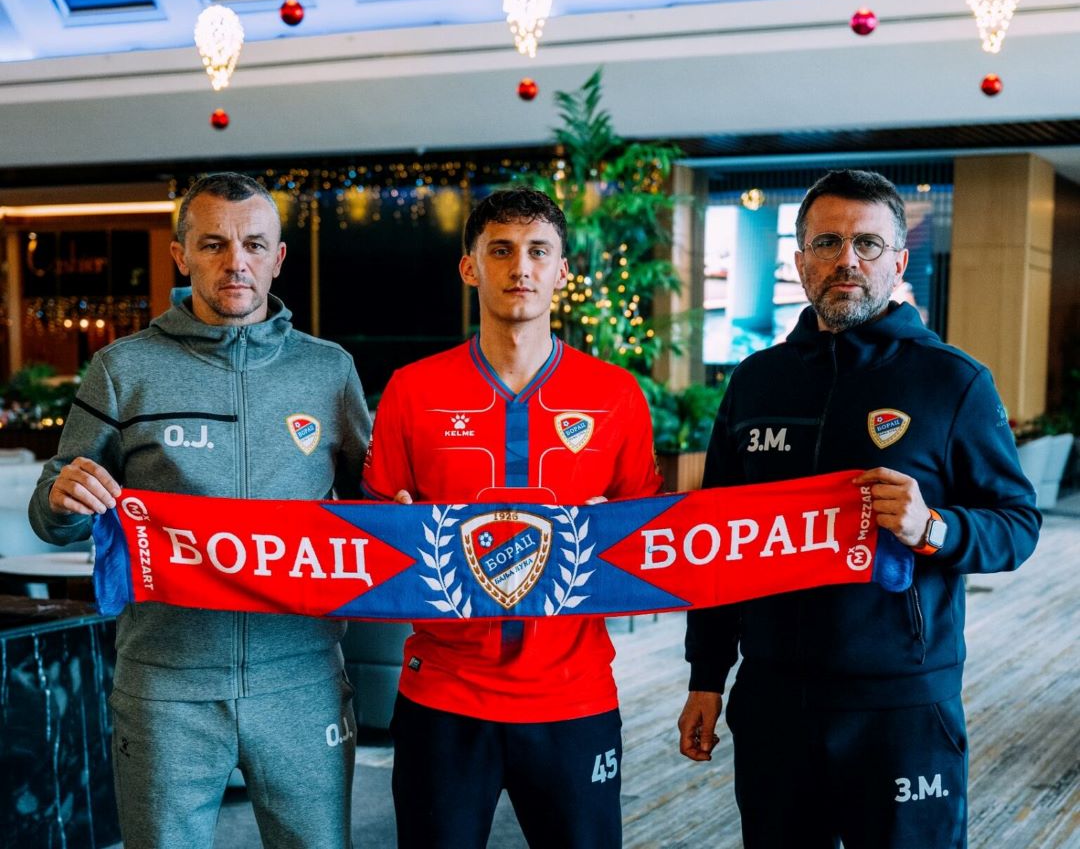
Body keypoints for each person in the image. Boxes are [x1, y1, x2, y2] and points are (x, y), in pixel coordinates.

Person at [677, 169, 1041, 849]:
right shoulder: (756, 382)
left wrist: (934, 526)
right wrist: (706, 677)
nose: (848, 259)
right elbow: (718, 543)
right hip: (774, 700)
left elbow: (1018, 525)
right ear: (800, 261)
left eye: (868, 244)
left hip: (901, 703)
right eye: (828, 242)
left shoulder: (953, 380)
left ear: (898, 262)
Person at [29, 172, 371, 849]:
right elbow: (55, 508)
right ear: (181, 255)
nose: (235, 261)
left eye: (254, 244)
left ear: (278, 257)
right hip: (164, 688)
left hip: (302, 680)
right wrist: (62, 496)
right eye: (214, 244)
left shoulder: (328, 371)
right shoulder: (122, 369)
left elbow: (372, 508)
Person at [361, 187, 663, 848]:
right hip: (444, 697)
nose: (520, 267)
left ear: (562, 270)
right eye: (500, 250)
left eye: (537, 251)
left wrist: (618, 534)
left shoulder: (615, 395)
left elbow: (650, 544)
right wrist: (393, 530)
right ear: (469, 267)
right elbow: (373, 539)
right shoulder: (412, 390)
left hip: (574, 697)